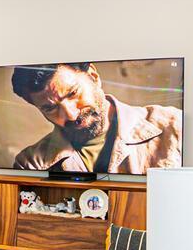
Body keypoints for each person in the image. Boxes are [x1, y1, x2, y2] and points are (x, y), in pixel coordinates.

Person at [10, 62, 181, 173]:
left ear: (93, 76)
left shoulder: (174, 125)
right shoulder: (30, 163)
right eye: (50, 108)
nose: (71, 114)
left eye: (72, 93)